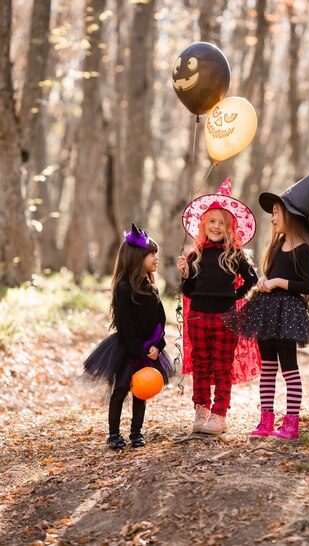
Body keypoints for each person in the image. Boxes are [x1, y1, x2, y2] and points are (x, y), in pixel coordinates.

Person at [225, 165, 309, 440]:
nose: (272, 219)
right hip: (266, 311)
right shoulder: (275, 246)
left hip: (288, 314)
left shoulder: (303, 251)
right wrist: (263, 282)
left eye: (276, 213)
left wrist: (278, 283)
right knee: (268, 369)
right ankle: (265, 420)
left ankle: (291, 422)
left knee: (289, 368)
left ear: (290, 216)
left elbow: (306, 286)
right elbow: (270, 276)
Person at [177, 178, 259, 435]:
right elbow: (188, 291)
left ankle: (219, 414)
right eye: (211, 221)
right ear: (203, 225)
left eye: (221, 223)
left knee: (222, 366)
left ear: (229, 228)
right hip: (198, 317)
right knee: (201, 365)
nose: (216, 226)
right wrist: (185, 274)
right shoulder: (196, 255)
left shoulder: (234, 254)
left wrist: (235, 295)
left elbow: (252, 279)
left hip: (225, 318)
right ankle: (201, 410)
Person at [83, 224, 174, 449]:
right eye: (151, 254)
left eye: (156, 254)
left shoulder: (151, 287)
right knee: (121, 389)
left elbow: (159, 322)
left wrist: (157, 346)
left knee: (141, 391)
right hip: (127, 346)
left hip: (149, 347)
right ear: (136, 257)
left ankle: (136, 432)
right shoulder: (124, 288)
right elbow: (125, 326)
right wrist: (140, 349)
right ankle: (114, 433)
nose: (156, 258)